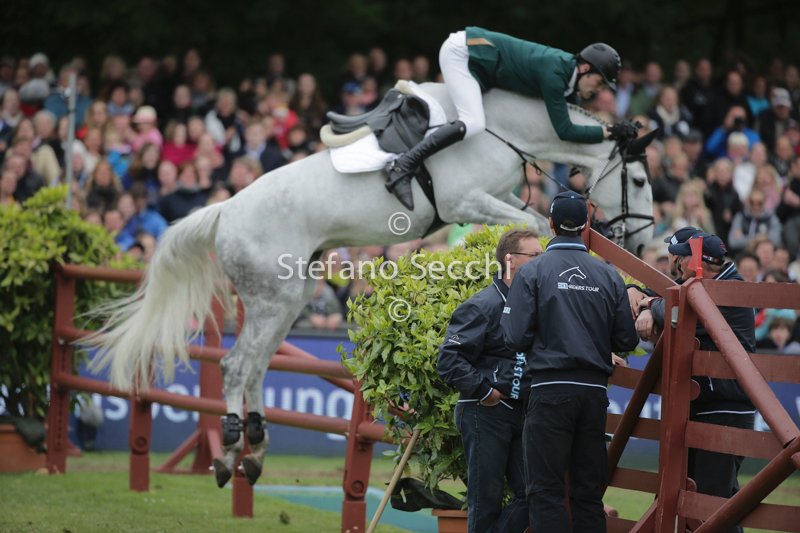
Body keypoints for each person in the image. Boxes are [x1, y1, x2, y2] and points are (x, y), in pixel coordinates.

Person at [501, 191, 638, 532]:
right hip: (593, 393)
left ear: (550, 223)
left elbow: (514, 337)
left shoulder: (532, 272)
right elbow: (627, 340)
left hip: (549, 390)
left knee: (545, 491)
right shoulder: (608, 275)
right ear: (585, 224)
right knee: (588, 494)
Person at [384, 28, 634, 210]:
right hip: (463, 53)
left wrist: (608, 134)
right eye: (599, 82)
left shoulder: (567, 78)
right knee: (474, 122)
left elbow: (571, 126)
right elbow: (565, 131)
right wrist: (608, 131)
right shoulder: (555, 74)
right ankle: (403, 165)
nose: (598, 90)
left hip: (481, 65)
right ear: (585, 69)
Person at [634, 233, 755, 533]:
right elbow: (673, 301)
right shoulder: (711, 285)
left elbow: (678, 313)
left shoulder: (728, 289)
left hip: (723, 409)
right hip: (714, 407)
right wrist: (642, 295)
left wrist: (651, 304)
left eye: (681, 255)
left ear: (698, 259)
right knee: (714, 503)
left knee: (711, 505)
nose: (676, 261)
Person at [437, 228, 543, 533]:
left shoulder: (535, 304)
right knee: (486, 501)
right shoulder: (482, 304)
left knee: (534, 495)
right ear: (510, 260)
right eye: (534, 255)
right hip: (485, 412)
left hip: (522, 412)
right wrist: (486, 392)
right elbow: (448, 360)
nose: (541, 261)